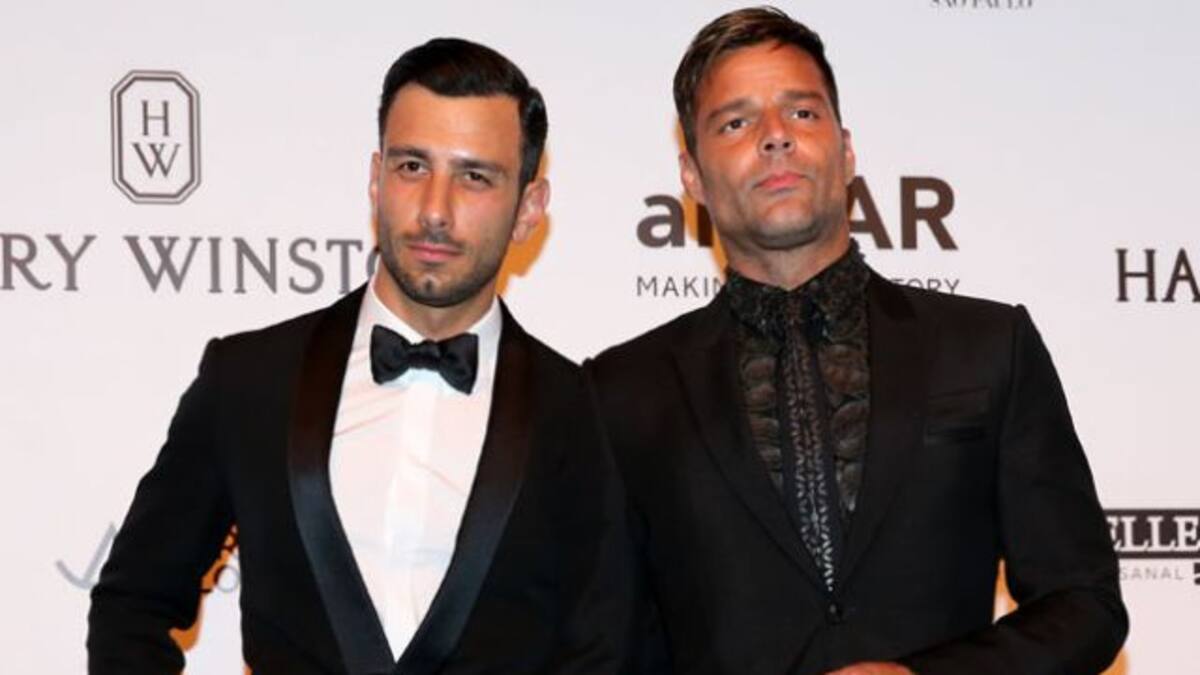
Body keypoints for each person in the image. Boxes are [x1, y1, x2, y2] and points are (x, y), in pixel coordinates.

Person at [586, 7, 1127, 674]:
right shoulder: (621, 392)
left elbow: (1085, 604)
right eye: (736, 123)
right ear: (692, 177)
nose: (776, 137)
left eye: (802, 112)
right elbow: (603, 644)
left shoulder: (988, 347)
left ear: (845, 151)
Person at [89, 38, 631, 675]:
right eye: (412, 167)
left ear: (529, 210)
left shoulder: (580, 411)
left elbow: (605, 651)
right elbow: (133, 603)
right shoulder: (249, 380)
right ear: (376, 180)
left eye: (474, 177)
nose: (435, 210)